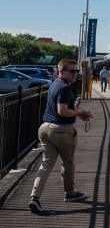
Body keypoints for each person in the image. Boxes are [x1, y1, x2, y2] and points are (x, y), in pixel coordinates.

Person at [28, 59, 93, 214]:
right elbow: (62, 111)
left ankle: (34, 198)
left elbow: (64, 109)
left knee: (46, 164)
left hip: (45, 128)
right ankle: (70, 193)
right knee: (68, 162)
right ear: (61, 71)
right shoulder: (64, 88)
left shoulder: (54, 84)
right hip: (61, 131)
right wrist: (80, 113)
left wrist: (77, 114)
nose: (75, 74)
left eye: (77, 71)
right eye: (72, 71)